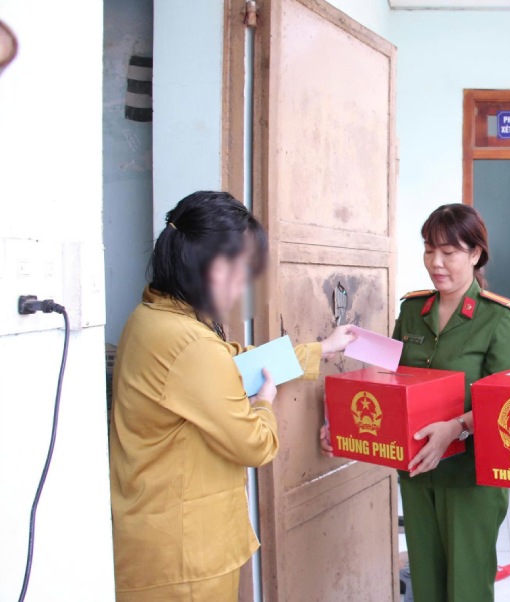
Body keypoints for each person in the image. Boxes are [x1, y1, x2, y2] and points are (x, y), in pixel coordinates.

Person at [109, 191, 356, 602]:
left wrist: (322, 348)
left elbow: (236, 364)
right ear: (211, 267)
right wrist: (264, 403)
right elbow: (255, 444)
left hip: (157, 537)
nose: (244, 283)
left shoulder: (153, 317)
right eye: (242, 269)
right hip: (185, 558)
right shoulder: (190, 343)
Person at [325, 204, 510, 601]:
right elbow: (391, 381)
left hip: (470, 477)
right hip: (417, 470)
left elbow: (509, 406)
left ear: (475, 254)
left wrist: (458, 426)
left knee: (467, 585)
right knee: (426, 583)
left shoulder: (499, 319)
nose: (436, 262)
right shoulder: (414, 310)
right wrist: (343, 422)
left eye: (449, 252)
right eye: (429, 249)